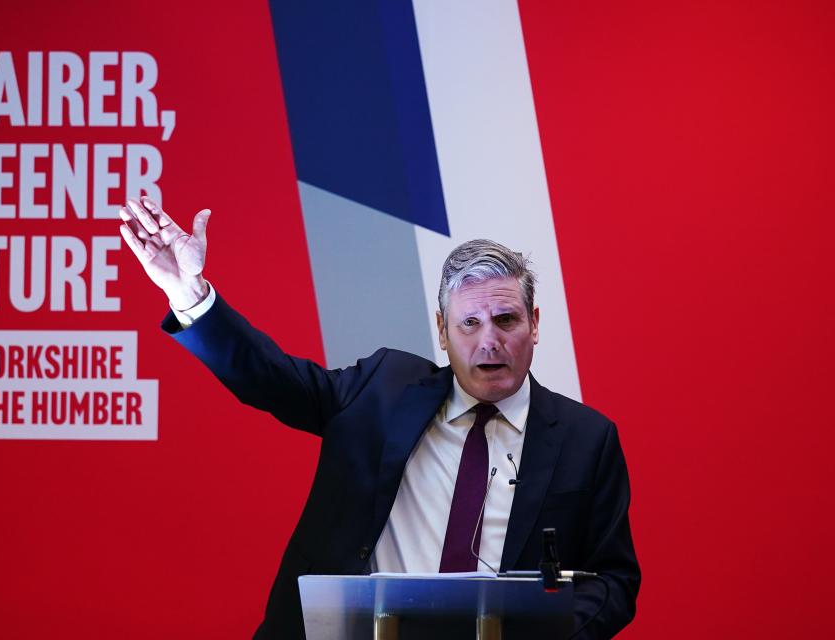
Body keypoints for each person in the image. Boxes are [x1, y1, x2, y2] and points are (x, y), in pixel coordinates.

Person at [118, 197, 640, 639]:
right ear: (442, 331)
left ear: (535, 324)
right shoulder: (384, 390)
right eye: (469, 324)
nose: (489, 341)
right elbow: (270, 378)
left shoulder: (585, 439)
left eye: (506, 320)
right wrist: (188, 292)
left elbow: (614, 582)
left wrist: (536, 627)